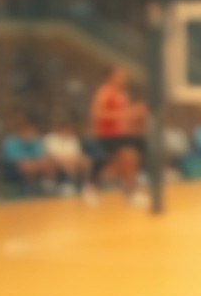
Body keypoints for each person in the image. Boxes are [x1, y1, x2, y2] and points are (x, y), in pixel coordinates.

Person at [90, 67, 148, 207]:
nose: (123, 78)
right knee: (127, 157)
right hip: (107, 135)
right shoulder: (104, 92)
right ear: (111, 77)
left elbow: (126, 118)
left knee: (126, 161)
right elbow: (97, 114)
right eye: (120, 75)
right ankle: (130, 193)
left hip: (122, 134)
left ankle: (95, 187)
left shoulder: (123, 94)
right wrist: (123, 114)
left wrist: (137, 114)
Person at [43, 122, 96, 203]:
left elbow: (77, 154)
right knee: (50, 161)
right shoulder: (50, 138)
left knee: (85, 160)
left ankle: (85, 185)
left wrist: (70, 163)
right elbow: (52, 154)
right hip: (57, 162)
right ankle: (52, 186)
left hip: (71, 162)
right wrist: (64, 163)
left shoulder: (72, 138)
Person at [2, 122, 56, 193]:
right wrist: (29, 162)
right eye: (25, 131)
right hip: (13, 167)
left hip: (34, 163)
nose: (28, 134)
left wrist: (35, 162)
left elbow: (40, 155)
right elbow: (13, 159)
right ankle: (30, 187)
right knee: (27, 165)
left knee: (47, 163)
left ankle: (49, 186)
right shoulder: (10, 142)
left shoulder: (35, 141)